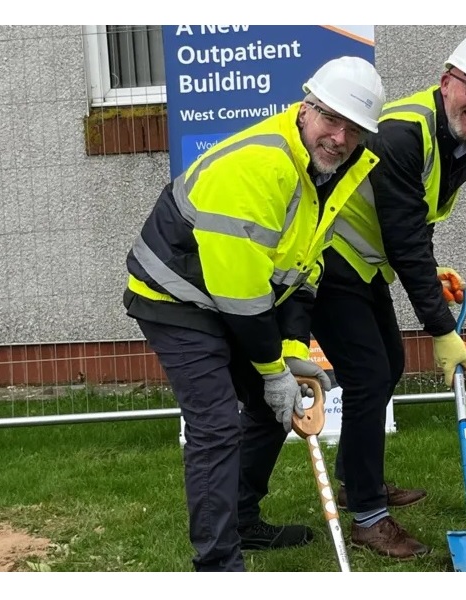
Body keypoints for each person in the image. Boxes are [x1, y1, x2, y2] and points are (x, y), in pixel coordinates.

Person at [123, 56, 385, 572]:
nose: (339, 135)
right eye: (330, 118)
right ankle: (219, 564)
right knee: (217, 424)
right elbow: (239, 290)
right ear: (306, 107)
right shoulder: (262, 166)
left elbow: (304, 271)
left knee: (272, 408)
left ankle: (241, 521)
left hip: (232, 299)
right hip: (175, 296)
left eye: (354, 128)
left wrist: (290, 353)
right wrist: (270, 371)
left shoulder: (335, 171)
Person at [309, 30, 466, 559]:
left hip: (363, 264)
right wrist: (442, 329)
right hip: (327, 257)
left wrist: (433, 271)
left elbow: (416, 221)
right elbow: (405, 238)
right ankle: (367, 516)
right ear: (447, 81)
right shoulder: (404, 133)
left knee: (389, 364)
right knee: (368, 374)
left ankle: (360, 479)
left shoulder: (464, 142)